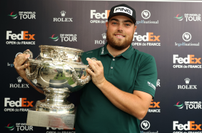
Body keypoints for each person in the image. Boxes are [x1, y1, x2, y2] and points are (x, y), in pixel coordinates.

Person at [14, 3, 157, 133]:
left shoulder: (145, 61)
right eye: (115, 23)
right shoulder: (86, 58)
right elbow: (58, 91)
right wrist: (27, 74)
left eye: (127, 24)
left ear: (134, 29)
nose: (120, 28)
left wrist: (102, 83)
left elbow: (140, 110)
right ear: (107, 25)